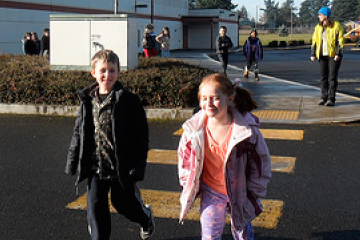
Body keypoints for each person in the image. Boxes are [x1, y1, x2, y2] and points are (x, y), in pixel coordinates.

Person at [65, 49, 155, 240]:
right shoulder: (87, 101)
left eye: (112, 70)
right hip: (96, 167)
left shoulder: (129, 101)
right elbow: (78, 132)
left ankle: (145, 219)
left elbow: (140, 137)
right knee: (96, 210)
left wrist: (137, 168)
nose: (107, 75)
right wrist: (72, 161)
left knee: (124, 204)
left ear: (118, 72)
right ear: (93, 73)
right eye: (103, 70)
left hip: (121, 167)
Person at [178, 73, 271, 240]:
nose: (209, 103)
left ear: (230, 99)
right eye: (204, 98)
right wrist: (188, 183)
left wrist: (255, 192)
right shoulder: (193, 131)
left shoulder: (246, 132)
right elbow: (184, 159)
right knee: (209, 236)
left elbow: (261, 163)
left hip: (240, 192)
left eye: (215, 98)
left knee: (243, 234)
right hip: (211, 192)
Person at [311, 7, 344, 107]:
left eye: (320, 15)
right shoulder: (318, 27)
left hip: (333, 55)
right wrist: (313, 54)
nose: (319, 17)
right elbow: (314, 41)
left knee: (332, 77)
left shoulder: (336, 26)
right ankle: (323, 97)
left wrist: (338, 53)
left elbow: (340, 41)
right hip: (322, 55)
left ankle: (331, 99)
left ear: (326, 15)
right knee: (323, 77)